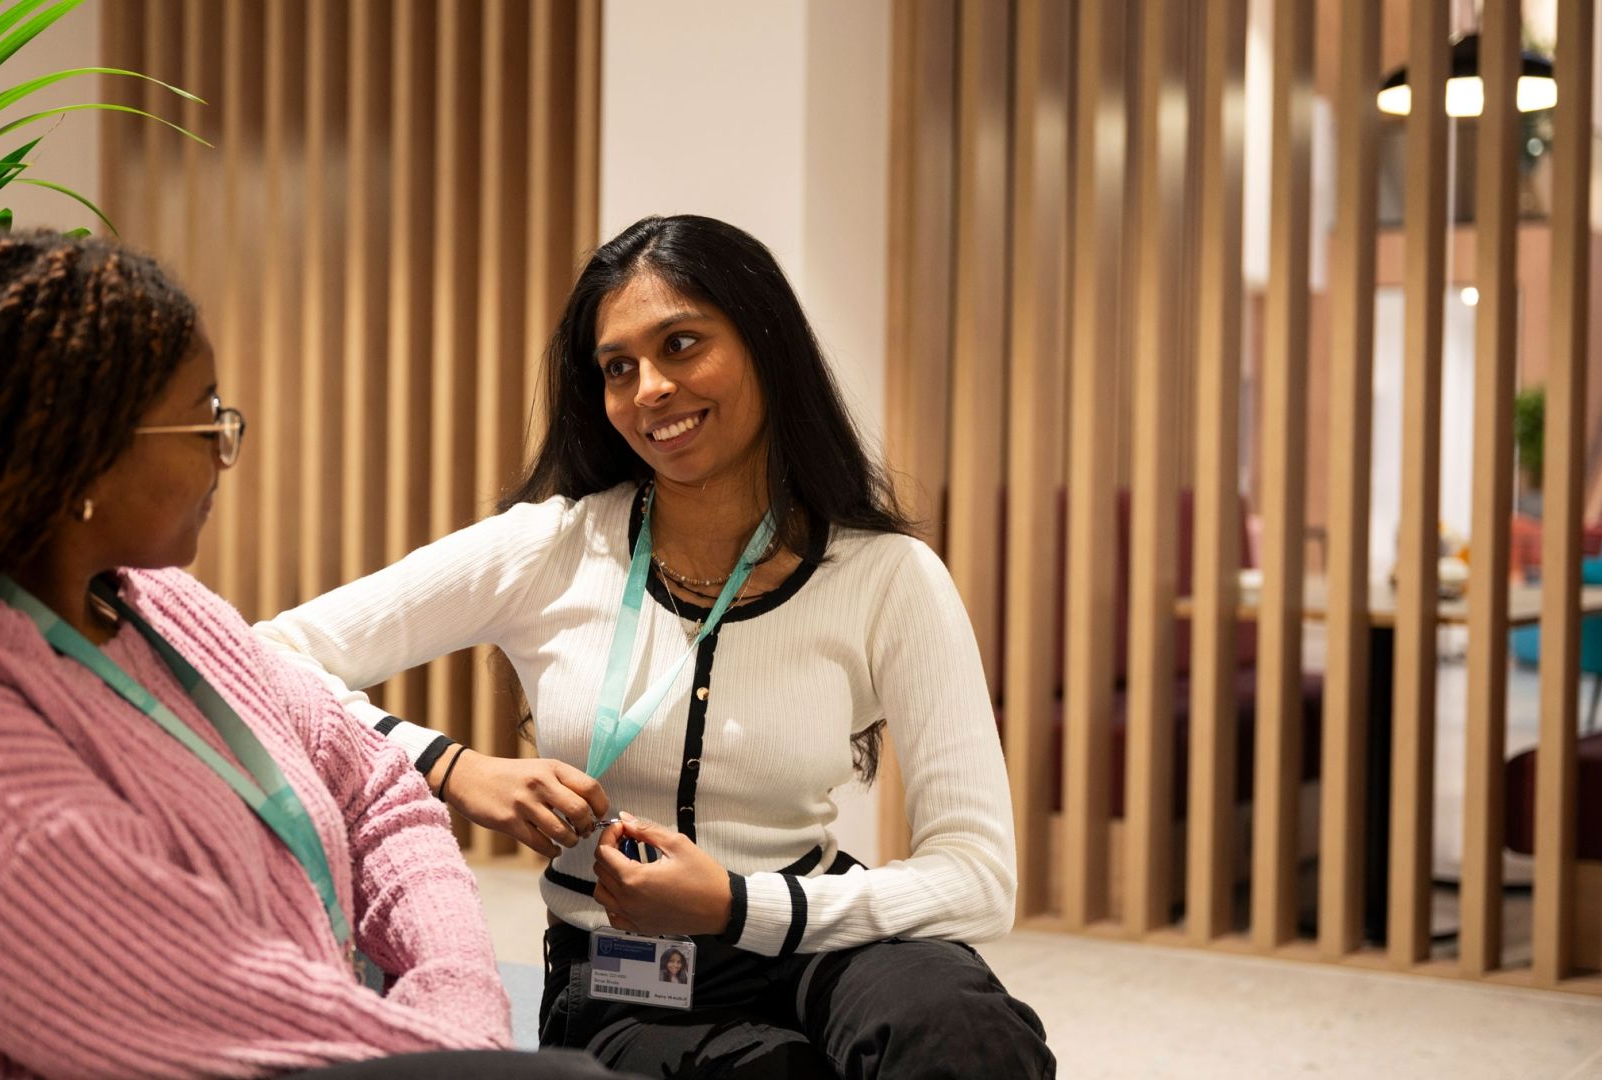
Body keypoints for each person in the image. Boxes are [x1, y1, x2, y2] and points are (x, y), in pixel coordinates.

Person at [0, 233, 621, 1080]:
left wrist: (454, 999)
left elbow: (379, 794)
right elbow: (213, 1015)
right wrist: (457, 1054)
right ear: (79, 452)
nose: (225, 453)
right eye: (202, 422)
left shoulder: (161, 607)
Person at [258, 215, 1055, 1079]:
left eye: (681, 345)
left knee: (963, 1034)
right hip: (629, 973)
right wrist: (453, 768)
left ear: (766, 344)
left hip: (819, 934)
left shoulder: (888, 575)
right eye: (618, 368)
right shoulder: (551, 548)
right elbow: (264, 657)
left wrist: (738, 905)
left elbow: (978, 879)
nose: (649, 389)